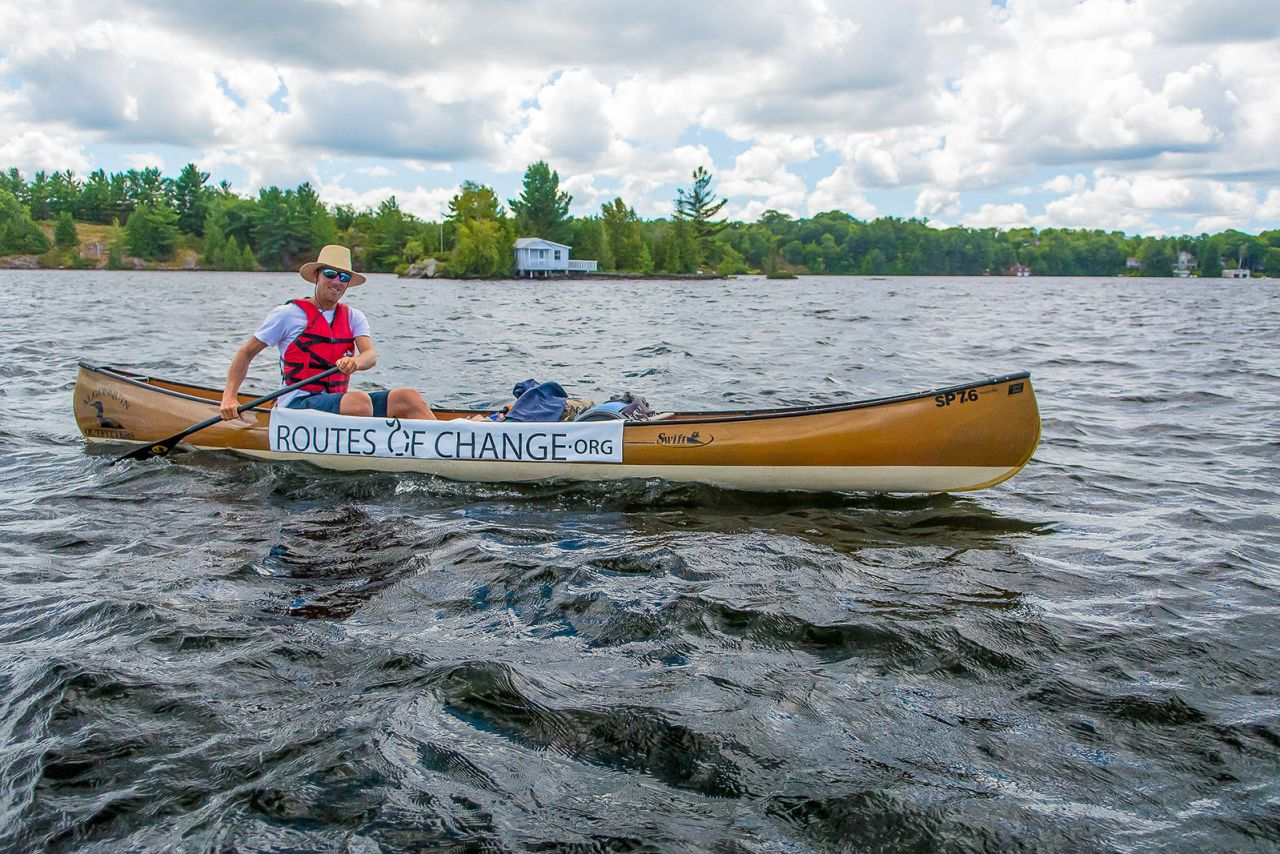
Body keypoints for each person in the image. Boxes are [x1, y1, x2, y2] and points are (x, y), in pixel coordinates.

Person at [220, 244, 435, 422]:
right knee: (359, 403)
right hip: (296, 405)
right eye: (330, 274)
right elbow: (246, 353)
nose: (336, 282)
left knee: (409, 397)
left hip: (337, 402)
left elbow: (369, 356)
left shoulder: (354, 317)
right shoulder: (287, 315)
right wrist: (229, 397)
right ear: (316, 276)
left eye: (343, 278)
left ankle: (449, 442)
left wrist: (356, 363)